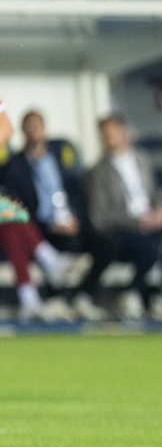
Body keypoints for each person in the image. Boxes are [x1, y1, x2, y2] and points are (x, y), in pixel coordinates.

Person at [5, 111, 109, 321]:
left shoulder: (60, 159)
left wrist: (75, 218)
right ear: (22, 131)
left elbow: (77, 193)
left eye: (37, 125)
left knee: (106, 245)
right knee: (10, 214)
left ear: (45, 128)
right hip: (40, 225)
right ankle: (55, 289)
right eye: (29, 126)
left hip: (68, 221)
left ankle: (81, 296)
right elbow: (18, 205)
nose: (34, 131)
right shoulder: (15, 166)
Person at [85, 115, 162, 320]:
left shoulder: (142, 160)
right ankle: (134, 292)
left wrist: (160, 211)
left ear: (124, 131)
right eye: (104, 133)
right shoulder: (98, 171)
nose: (108, 137)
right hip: (123, 228)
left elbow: (153, 194)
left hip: (149, 221)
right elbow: (100, 215)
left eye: (112, 131)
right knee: (148, 246)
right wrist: (137, 221)